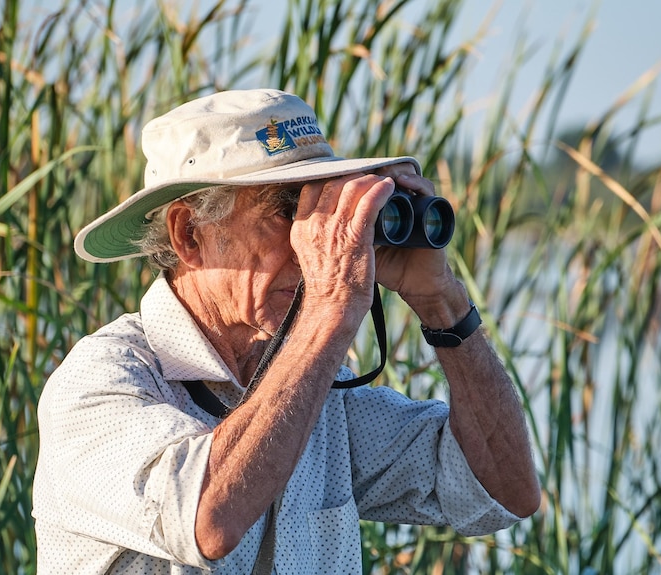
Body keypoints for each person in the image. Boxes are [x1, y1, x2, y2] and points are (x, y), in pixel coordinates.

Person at [32, 88, 539, 574]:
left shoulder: (318, 397)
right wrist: (330, 310)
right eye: (288, 210)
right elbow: (208, 519)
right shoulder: (99, 385)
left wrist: (443, 301)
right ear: (189, 234)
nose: (315, 240)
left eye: (324, 213)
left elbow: (502, 490)